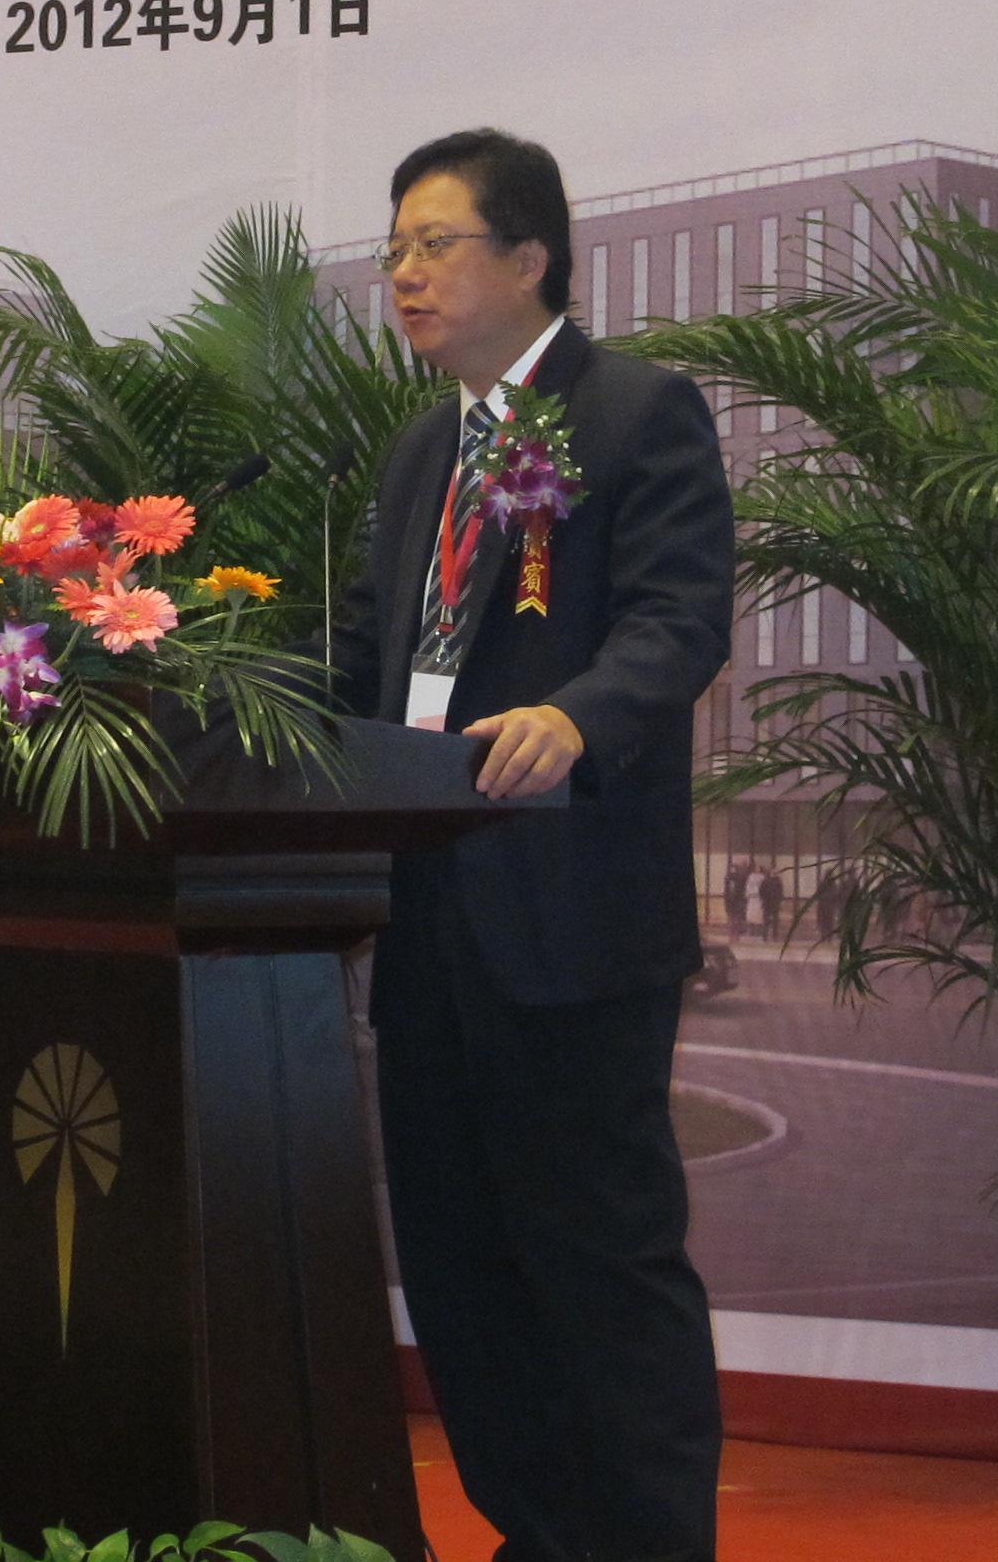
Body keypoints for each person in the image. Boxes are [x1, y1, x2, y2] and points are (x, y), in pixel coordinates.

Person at [328, 129, 731, 1562]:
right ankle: (543, 1533)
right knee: (462, 1261)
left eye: (434, 244)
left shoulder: (633, 412)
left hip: (568, 913)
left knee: (599, 1257)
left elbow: (679, 619)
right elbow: (371, 662)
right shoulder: (419, 450)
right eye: (394, 249)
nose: (405, 273)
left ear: (529, 257)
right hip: (427, 907)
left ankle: (646, 1544)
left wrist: (576, 715)